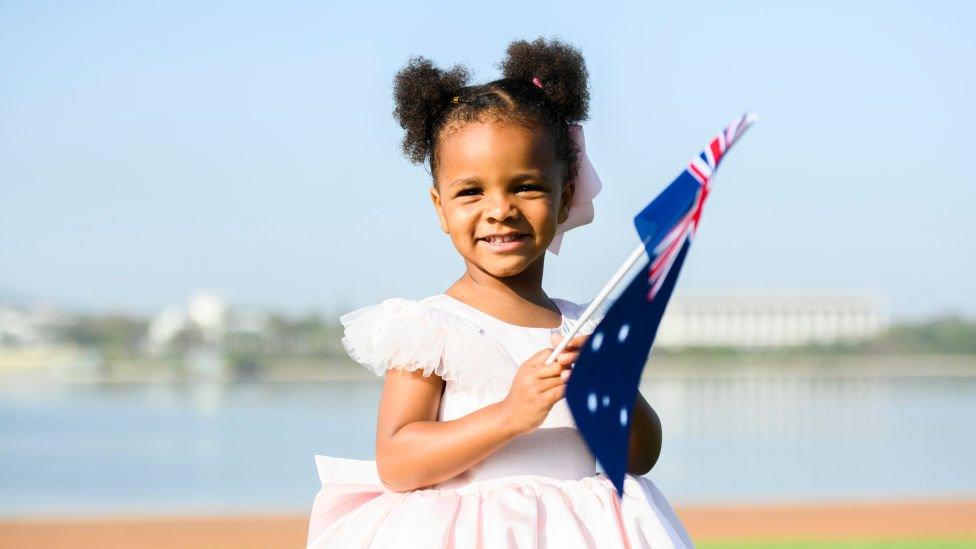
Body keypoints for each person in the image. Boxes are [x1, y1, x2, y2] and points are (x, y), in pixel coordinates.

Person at [306, 36, 694, 548]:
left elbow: (640, 456)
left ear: (565, 199)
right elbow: (398, 460)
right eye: (471, 191)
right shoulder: (432, 330)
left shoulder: (582, 328)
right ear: (440, 207)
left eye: (526, 186)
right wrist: (511, 415)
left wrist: (612, 389)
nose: (500, 209)